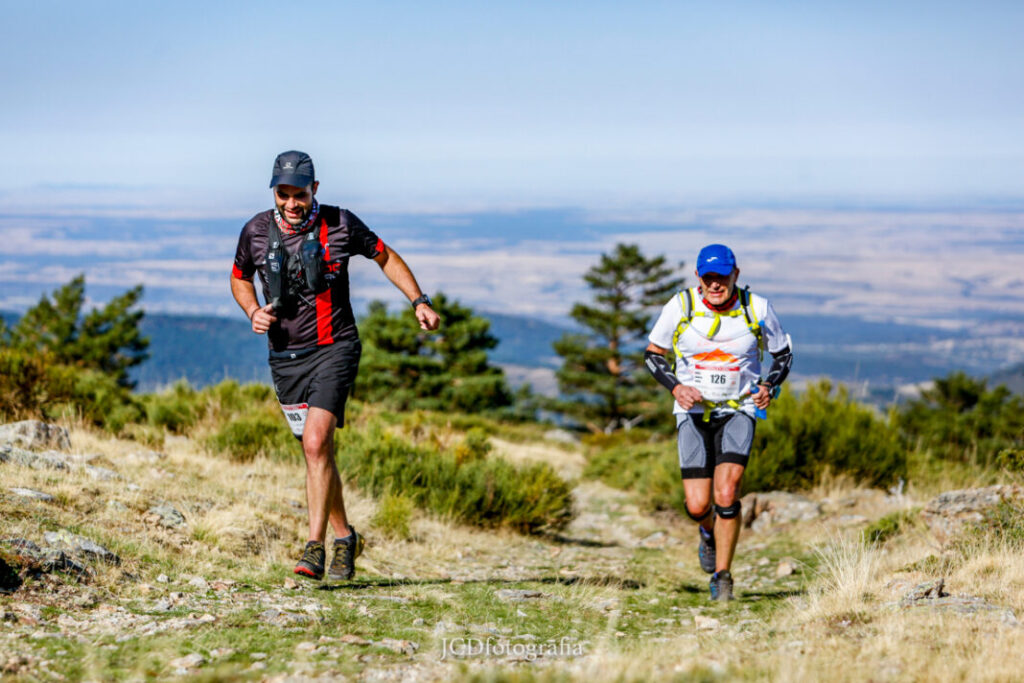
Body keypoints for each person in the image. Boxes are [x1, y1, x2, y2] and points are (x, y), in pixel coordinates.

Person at [230, 150, 441, 581]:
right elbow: (239, 276)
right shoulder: (255, 230)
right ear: (274, 191)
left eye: (300, 194)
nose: (292, 203)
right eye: (283, 194)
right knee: (317, 453)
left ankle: (314, 548)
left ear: (315, 190)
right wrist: (252, 309)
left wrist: (418, 300)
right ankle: (346, 537)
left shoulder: (341, 223)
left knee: (315, 442)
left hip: (336, 346)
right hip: (285, 357)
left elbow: (385, 256)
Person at [644, 244, 792, 601]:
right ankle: (707, 532)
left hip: (739, 409)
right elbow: (652, 355)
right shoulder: (680, 307)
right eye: (708, 278)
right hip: (693, 414)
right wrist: (676, 387)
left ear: (735, 275)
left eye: (721, 277)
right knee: (697, 505)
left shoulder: (757, 308)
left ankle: (723, 576)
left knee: (727, 492)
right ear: (698, 278)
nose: (715, 284)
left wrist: (769, 386)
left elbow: (783, 354)